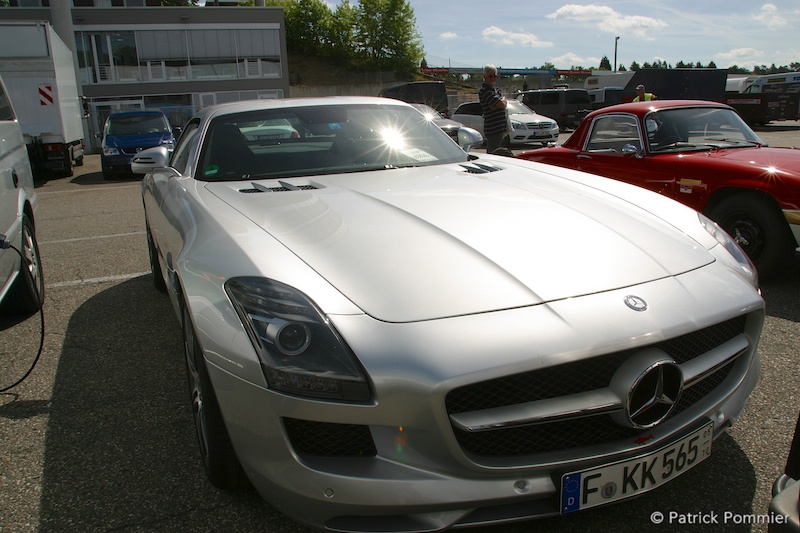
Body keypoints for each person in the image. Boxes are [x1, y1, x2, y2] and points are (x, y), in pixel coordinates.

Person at [479, 64, 509, 154]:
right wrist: (500, 103)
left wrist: (499, 103)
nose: (493, 78)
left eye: (495, 75)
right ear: (485, 77)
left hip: (501, 129)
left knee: (502, 155)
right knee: (493, 156)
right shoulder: (485, 90)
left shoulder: (494, 90)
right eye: (490, 76)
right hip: (493, 130)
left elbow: (502, 103)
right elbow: (501, 104)